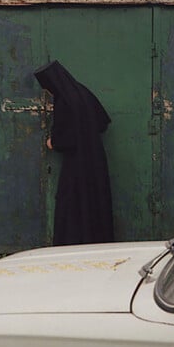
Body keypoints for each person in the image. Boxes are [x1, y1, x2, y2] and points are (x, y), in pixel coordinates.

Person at [34, 60, 114, 245]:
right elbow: (102, 123)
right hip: (95, 159)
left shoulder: (64, 101)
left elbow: (66, 140)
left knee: (73, 206)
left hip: (76, 164)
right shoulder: (82, 92)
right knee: (94, 201)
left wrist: (52, 142)